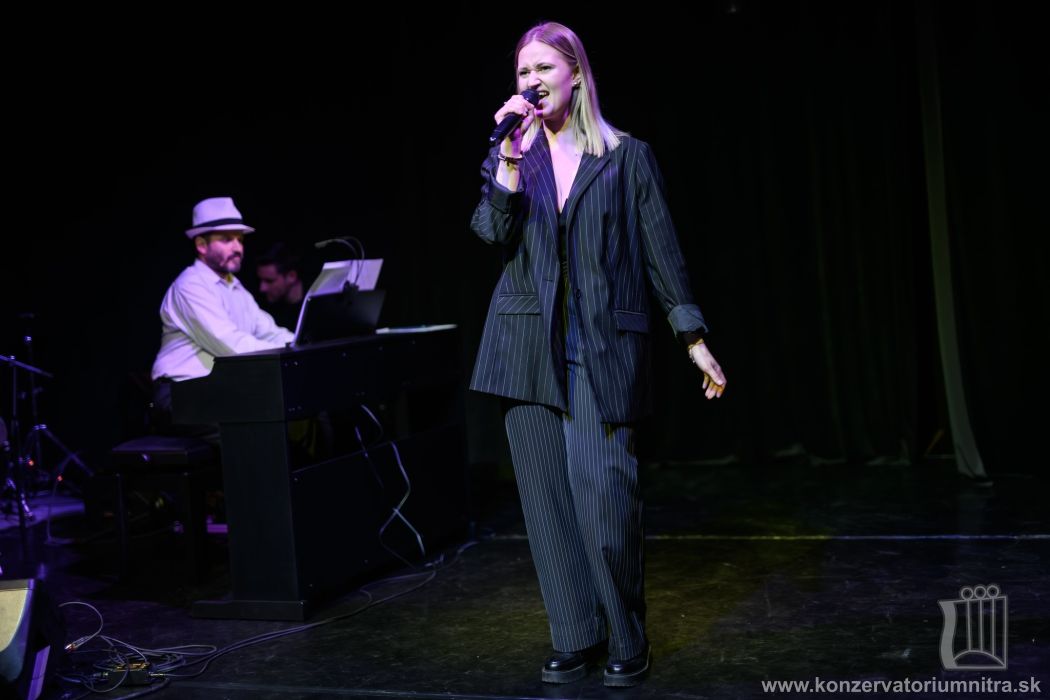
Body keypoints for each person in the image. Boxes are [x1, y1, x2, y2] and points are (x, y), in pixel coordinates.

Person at [469, 22, 727, 688]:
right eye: (522, 71)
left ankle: (626, 635)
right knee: (547, 506)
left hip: (600, 345)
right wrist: (506, 160)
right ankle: (575, 635)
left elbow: (662, 251)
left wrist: (692, 337)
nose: (532, 81)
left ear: (576, 74)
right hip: (524, 346)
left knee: (605, 497)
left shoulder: (624, 156)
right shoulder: (512, 155)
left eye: (543, 68)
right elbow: (490, 231)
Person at [151, 197, 294, 427]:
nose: (238, 248)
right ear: (201, 245)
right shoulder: (190, 286)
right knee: (260, 425)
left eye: (240, 239)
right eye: (227, 239)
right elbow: (230, 346)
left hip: (215, 389)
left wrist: (300, 343)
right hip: (181, 393)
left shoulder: (235, 287)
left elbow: (268, 331)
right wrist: (289, 351)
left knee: (297, 413)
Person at [255, 241, 309, 331]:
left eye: (269, 281)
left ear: (291, 276)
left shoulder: (320, 307)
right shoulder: (265, 312)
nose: (262, 288)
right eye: (261, 280)